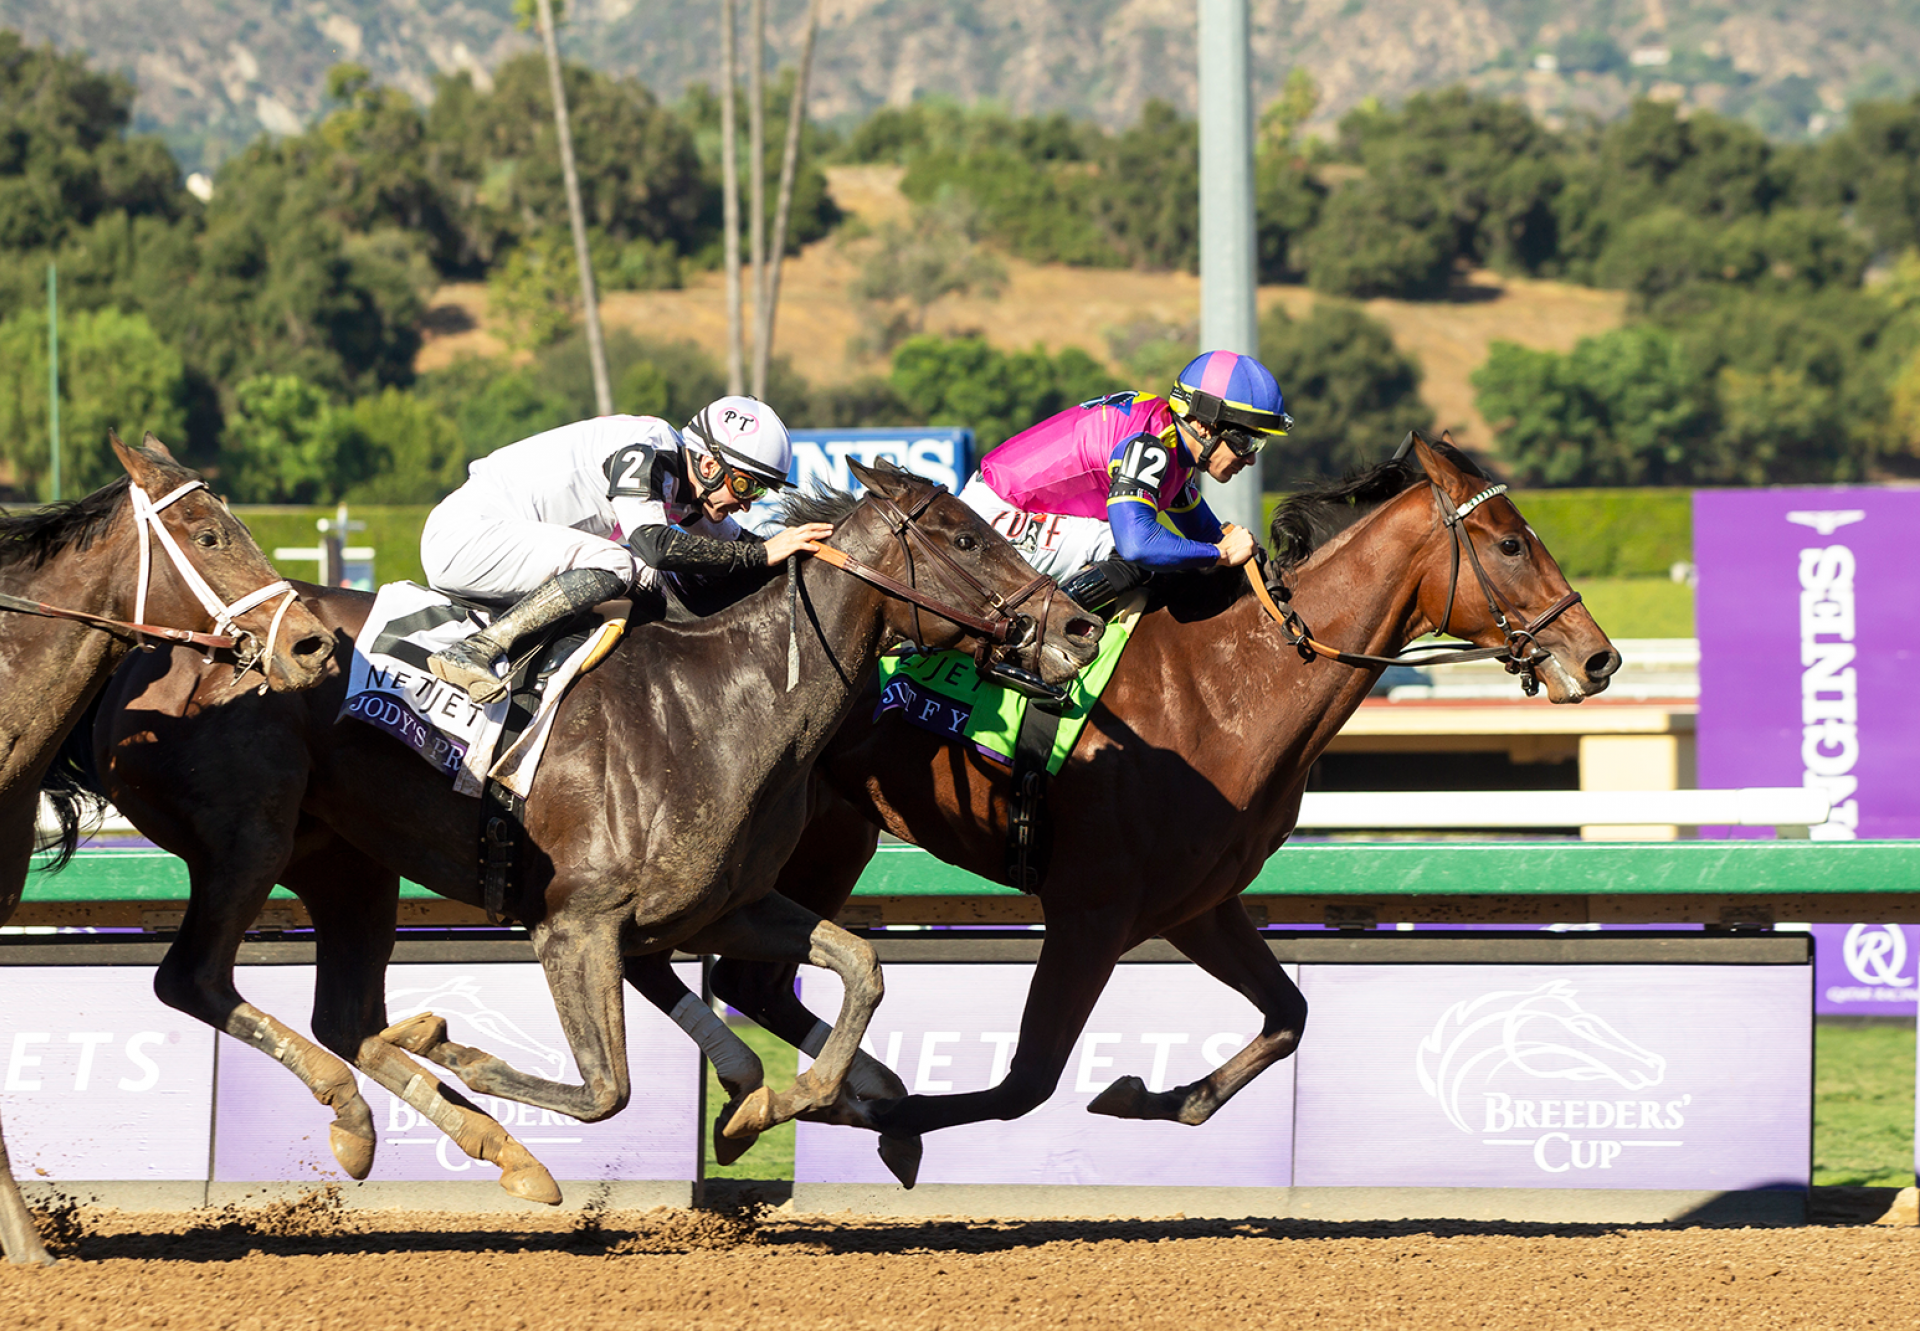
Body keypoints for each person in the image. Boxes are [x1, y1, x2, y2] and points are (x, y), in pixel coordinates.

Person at [419, 397, 834, 704]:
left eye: (759, 492)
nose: (747, 503)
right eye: (746, 486)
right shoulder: (648, 449)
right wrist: (760, 556)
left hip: (493, 538)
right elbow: (655, 547)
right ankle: (476, 649)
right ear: (709, 465)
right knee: (621, 564)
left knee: (650, 579)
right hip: (465, 537)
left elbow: (742, 546)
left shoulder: (686, 486)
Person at [959, 350, 1292, 612]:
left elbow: (1203, 532)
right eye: (1245, 443)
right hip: (992, 517)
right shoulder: (1150, 446)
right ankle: (1034, 636)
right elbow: (1139, 545)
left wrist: (1257, 565)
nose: (1250, 458)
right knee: (1134, 556)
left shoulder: (1172, 444)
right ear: (1204, 426)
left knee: (1175, 563)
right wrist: (1219, 553)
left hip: (1008, 507)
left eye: (1258, 445)